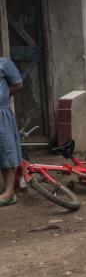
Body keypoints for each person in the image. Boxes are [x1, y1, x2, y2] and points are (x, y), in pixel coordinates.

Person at [0, 57, 23, 206]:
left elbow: (18, 84)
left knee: (5, 151)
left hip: (1, 114)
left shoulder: (4, 63)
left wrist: (3, 96)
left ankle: (9, 193)